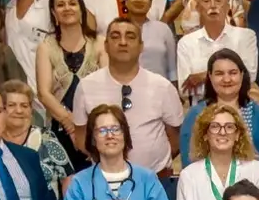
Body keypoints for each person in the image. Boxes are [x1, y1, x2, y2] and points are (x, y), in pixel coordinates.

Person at [73, 17, 185, 180]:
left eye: (131, 36)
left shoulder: (162, 86)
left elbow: (176, 137)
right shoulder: (86, 86)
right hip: (104, 181)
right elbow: (82, 138)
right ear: (106, 46)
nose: (123, 42)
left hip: (156, 181)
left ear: (141, 46)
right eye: (115, 36)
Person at [61, 105, 171, 200]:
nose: (110, 135)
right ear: (93, 139)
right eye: (102, 130)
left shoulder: (148, 179)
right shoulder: (79, 183)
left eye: (115, 129)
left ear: (125, 134)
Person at [33, 0, 99, 151]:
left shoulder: (100, 44)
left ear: (81, 9)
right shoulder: (45, 47)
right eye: (60, 5)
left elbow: (108, 86)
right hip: (60, 128)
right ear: (54, 13)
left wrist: (85, 126)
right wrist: (70, 122)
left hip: (97, 126)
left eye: (72, 3)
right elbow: (44, 93)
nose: (67, 8)